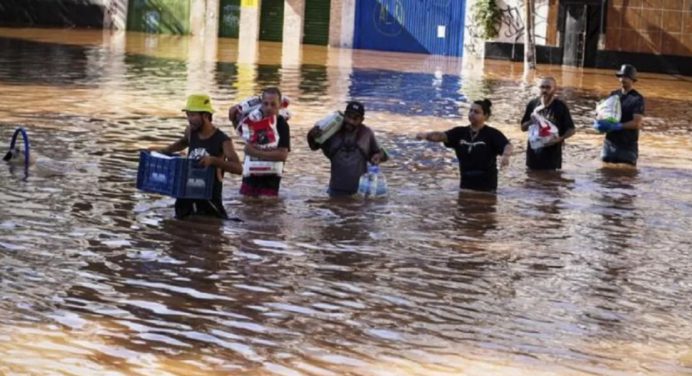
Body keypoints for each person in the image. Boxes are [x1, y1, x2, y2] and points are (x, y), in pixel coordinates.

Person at [156, 94, 242, 219]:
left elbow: (238, 168)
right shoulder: (190, 131)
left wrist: (213, 161)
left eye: (193, 115)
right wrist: (164, 151)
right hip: (186, 195)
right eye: (188, 115)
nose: (189, 119)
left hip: (209, 199)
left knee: (212, 228)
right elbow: (183, 142)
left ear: (205, 116)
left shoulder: (223, 140)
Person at [416, 99, 513, 193]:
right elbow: (442, 136)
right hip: (465, 185)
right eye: (470, 111)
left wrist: (506, 156)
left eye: (476, 112)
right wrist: (426, 135)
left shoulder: (492, 134)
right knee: (463, 208)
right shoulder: (460, 132)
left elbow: (507, 145)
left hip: (487, 187)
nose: (472, 113)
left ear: (486, 116)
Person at [307, 101, 388, 196]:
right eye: (348, 116)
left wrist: (378, 156)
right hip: (335, 191)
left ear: (362, 120)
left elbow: (383, 155)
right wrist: (311, 134)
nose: (350, 121)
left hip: (360, 194)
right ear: (344, 115)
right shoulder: (332, 130)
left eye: (355, 118)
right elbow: (313, 146)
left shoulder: (367, 134)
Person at [229, 87, 290, 197]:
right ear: (261, 104)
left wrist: (255, 152)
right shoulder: (254, 120)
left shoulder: (282, 125)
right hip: (249, 179)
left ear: (280, 105)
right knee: (246, 207)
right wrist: (233, 118)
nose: (268, 108)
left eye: (273, 104)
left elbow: (282, 155)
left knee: (267, 209)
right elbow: (242, 133)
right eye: (265, 104)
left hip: (269, 182)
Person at [520, 77, 575, 170]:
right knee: (531, 180)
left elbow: (571, 130)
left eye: (548, 87)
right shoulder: (533, 104)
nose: (544, 90)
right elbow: (522, 128)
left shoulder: (560, 107)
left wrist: (559, 139)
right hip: (533, 154)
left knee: (550, 181)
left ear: (555, 89)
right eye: (542, 87)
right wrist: (530, 122)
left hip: (552, 156)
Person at [594, 64, 645, 166]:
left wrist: (619, 126)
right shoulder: (613, 95)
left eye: (626, 77)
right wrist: (599, 120)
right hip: (610, 143)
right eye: (621, 76)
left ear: (632, 79)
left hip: (628, 146)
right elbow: (604, 113)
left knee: (626, 175)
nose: (622, 79)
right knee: (604, 176)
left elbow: (637, 123)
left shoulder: (637, 99)